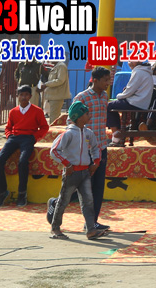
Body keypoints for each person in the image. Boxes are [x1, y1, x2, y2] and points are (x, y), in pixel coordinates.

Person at [47, 101, 106, 240]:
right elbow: (54, 150)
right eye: (87, 114)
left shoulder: (88, 133)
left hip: (85, 172)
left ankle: (91, 230)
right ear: (79, 117)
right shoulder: (68, 134)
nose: (89, 116)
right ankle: (55, 228)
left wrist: (96, 162)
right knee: (63, 201)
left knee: (88, 201)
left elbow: (96, 148)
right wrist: (67, 164)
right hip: (71, 173)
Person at [0, 85, 50, 207]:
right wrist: (9, 136)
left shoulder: (37, 111)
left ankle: (22, 193)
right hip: (14, 138)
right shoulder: (13, 111)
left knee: (23, 162)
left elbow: (44, 127)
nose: (23, 97)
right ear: (17, 96)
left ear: (30, 96)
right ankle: (2, 192)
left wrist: (34, 137)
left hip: (28, 138)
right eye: (21, 95)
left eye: (26, 95)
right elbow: (8, 127)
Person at [72, 67, 112, 231]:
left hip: (101, 147)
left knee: (98, 187)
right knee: (82, 187)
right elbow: (71, 121)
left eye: (109, 80)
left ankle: (92, 222)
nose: (108, 83)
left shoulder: (105, 97)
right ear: (95, 80)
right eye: (105, 80)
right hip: (86, 149)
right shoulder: (82, 97)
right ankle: (56, 204)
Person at [106, 60, 154, 145]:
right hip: (142, 102)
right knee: (115, 105)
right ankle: (118, 133)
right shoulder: (145, 71)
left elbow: (129, 91)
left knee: (109, 106)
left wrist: (119, 96)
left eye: (133, 61)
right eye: (129, 61)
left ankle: (116, 135)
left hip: (135, 102)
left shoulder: (138, 71)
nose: (130, 63)